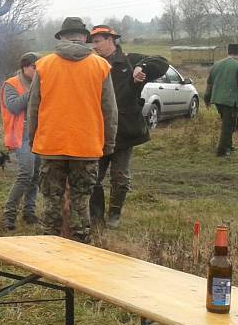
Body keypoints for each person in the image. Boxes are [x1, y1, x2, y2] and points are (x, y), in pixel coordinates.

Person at [27, 17, 118, 243]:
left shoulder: (44, 65)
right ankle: (79, 252)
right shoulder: (100, 66)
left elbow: (33, 107)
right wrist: (108, 143)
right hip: (86, 146)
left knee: (50, 203)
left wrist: (33, 139)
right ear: (84, 37)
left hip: (51, 145)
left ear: (62, 37)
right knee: (81, 202)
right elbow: (110, 110)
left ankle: (48, 252)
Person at [89, 25, 168, 228]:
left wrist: (142, 68)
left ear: (111, 39)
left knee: (120, 176)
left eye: (98, 41)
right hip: (97, 130)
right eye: (93, 42)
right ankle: (96, 218)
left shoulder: (130, 60)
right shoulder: (91, 63)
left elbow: (162, 62)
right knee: (93, 176)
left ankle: (114, 215)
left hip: (125, 130)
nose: (94, 46)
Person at [0, 52, 41, 230]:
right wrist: (33, 90)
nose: (38, 70)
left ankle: (29, 213)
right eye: (35, 67)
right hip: (20, 136)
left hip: (39, 135)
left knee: (36, 175)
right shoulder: (11, 84)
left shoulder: (41, 83)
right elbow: (14, 106)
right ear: (25, 66)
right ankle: (9, 215)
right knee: (26, 174)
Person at [204, 43, 238, 157]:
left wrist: (207, 99)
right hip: (231, 100)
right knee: (228, 125)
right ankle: (222, 151)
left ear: (228, 52)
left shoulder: (217, 64)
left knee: (229, 123)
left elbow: (209, 83)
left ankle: (229, 145)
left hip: (217, 100)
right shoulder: (236, 65)